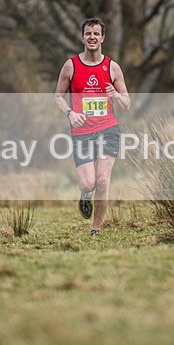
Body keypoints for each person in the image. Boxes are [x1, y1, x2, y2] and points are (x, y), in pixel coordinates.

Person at [54, 17, 131, 235]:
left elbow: (126, 104)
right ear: (82, 37)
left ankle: (96, 228)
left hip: (108, 129)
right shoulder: (71, 66)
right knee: (88, 183)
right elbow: (58, 97)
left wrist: (115, 94)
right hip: (82, 131)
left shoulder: (112, 67)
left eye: (96, 34)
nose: (92, 37)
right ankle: (85, 194)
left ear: (103, 38)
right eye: (88, 33)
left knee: (102, 179)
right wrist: (70, 113)